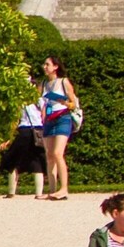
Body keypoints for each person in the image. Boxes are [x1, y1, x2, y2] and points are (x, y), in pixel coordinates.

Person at [39, 57, 77, 201]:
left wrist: (64, 103)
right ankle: (52, 190)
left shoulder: (63, 82)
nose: (44, 67)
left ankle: (64, 189)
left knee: (58, 153)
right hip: (49, 120)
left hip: (63, 118)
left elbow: (74, 103)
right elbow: (39, 100)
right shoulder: (44, 84)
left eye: (47, 64)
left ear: (55, 67)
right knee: (49, 155)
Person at [0, 99, 46, 199]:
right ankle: (39, 193)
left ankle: (11, 192)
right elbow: (44, 117)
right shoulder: (40, 99)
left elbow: (15, 121)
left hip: (24, 130)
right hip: (39, 131)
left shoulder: (19, 100)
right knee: (37, 162)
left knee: (13, 160)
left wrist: (8, 139)